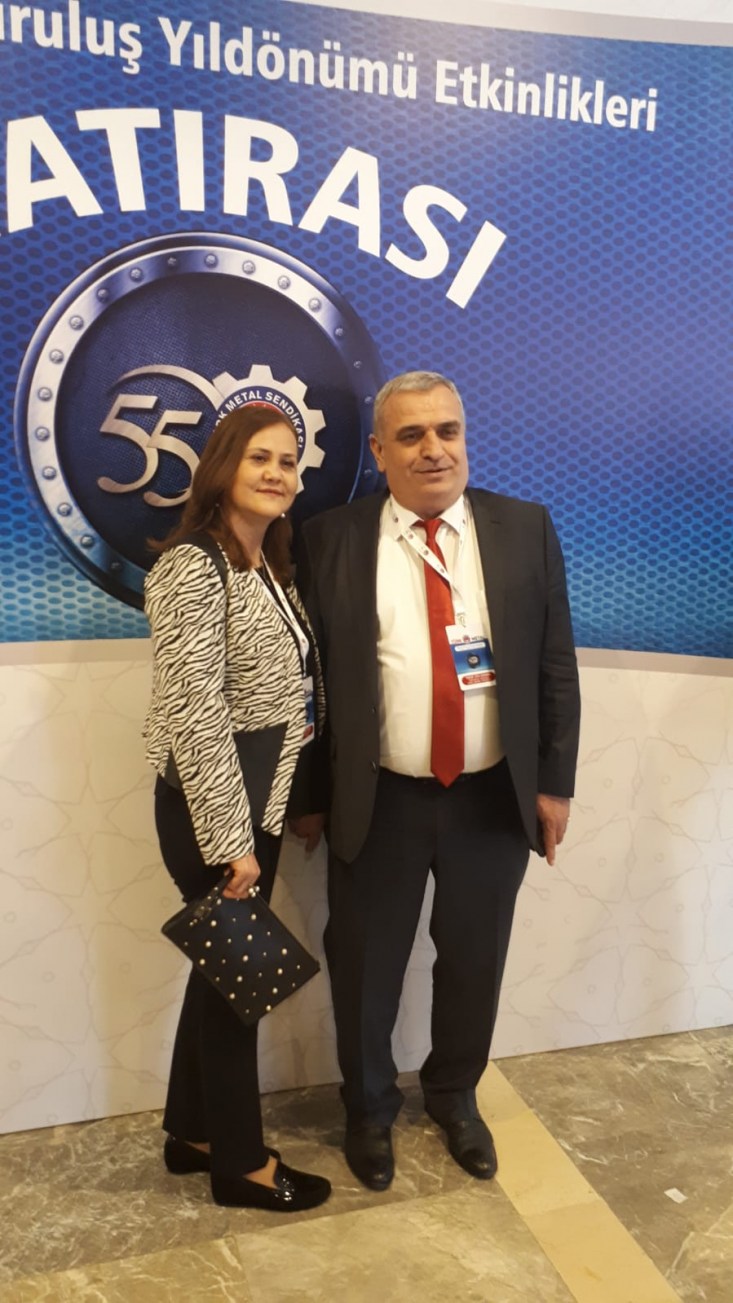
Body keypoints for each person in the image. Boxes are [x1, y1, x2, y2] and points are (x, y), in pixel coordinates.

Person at [298, 371, 580, 1190]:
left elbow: (554, 664)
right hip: (376, 796)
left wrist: (553, 783)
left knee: (473, 959)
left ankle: (454, 1095)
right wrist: (309, 796)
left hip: (491, 795)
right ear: (379, 450)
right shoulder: (329, 537)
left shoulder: (523, 528)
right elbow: (306, 684)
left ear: (464, 437)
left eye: (447, 431)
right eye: (411, 435)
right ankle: (367, 1109)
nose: (433, 449)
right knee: (365, 965)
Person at [144, 404, 330, 1211]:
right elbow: (196, 713)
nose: (276, 473)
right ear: (222, 467)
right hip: (213, 812)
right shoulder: (192, 566)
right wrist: (231, 842)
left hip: (260, 801)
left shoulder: (263, 563)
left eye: (288, 460)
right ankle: (241, 1164)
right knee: (236, 991)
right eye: (259, 456)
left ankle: (192, 1131)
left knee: (219, 974)